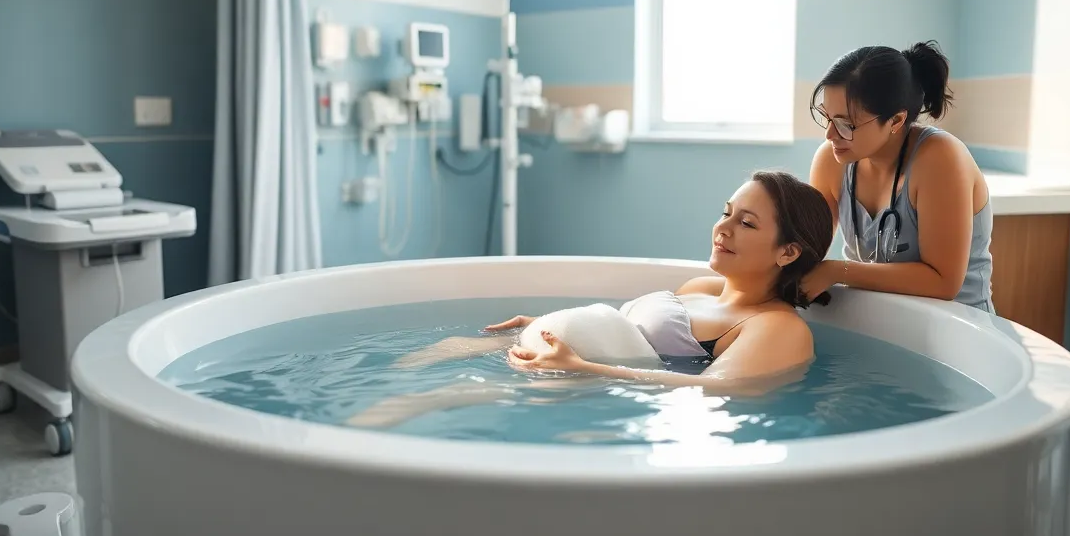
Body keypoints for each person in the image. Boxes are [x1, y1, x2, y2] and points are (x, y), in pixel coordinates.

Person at [346, 170, 834, 428]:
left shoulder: (775, 327)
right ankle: (358, 393)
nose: (722, 229)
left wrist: (583, 367)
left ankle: (346, 438)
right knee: (441, 352)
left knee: (439, 397)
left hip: (580, 389)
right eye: (726, 213)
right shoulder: (703, 289)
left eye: (745, 223)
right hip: (552, 362)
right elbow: (628, 329)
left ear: (788, 251)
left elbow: (719, 389)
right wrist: (550, 322)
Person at [802, 41, 994, 312]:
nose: (830, 134)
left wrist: (838, 271)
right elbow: (806, 250)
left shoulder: (940, 157)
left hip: (957, 333)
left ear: (896, 121)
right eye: (827, 117)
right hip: (880, 323)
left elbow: (943, 283)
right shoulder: (831, 160)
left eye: (846, 124)